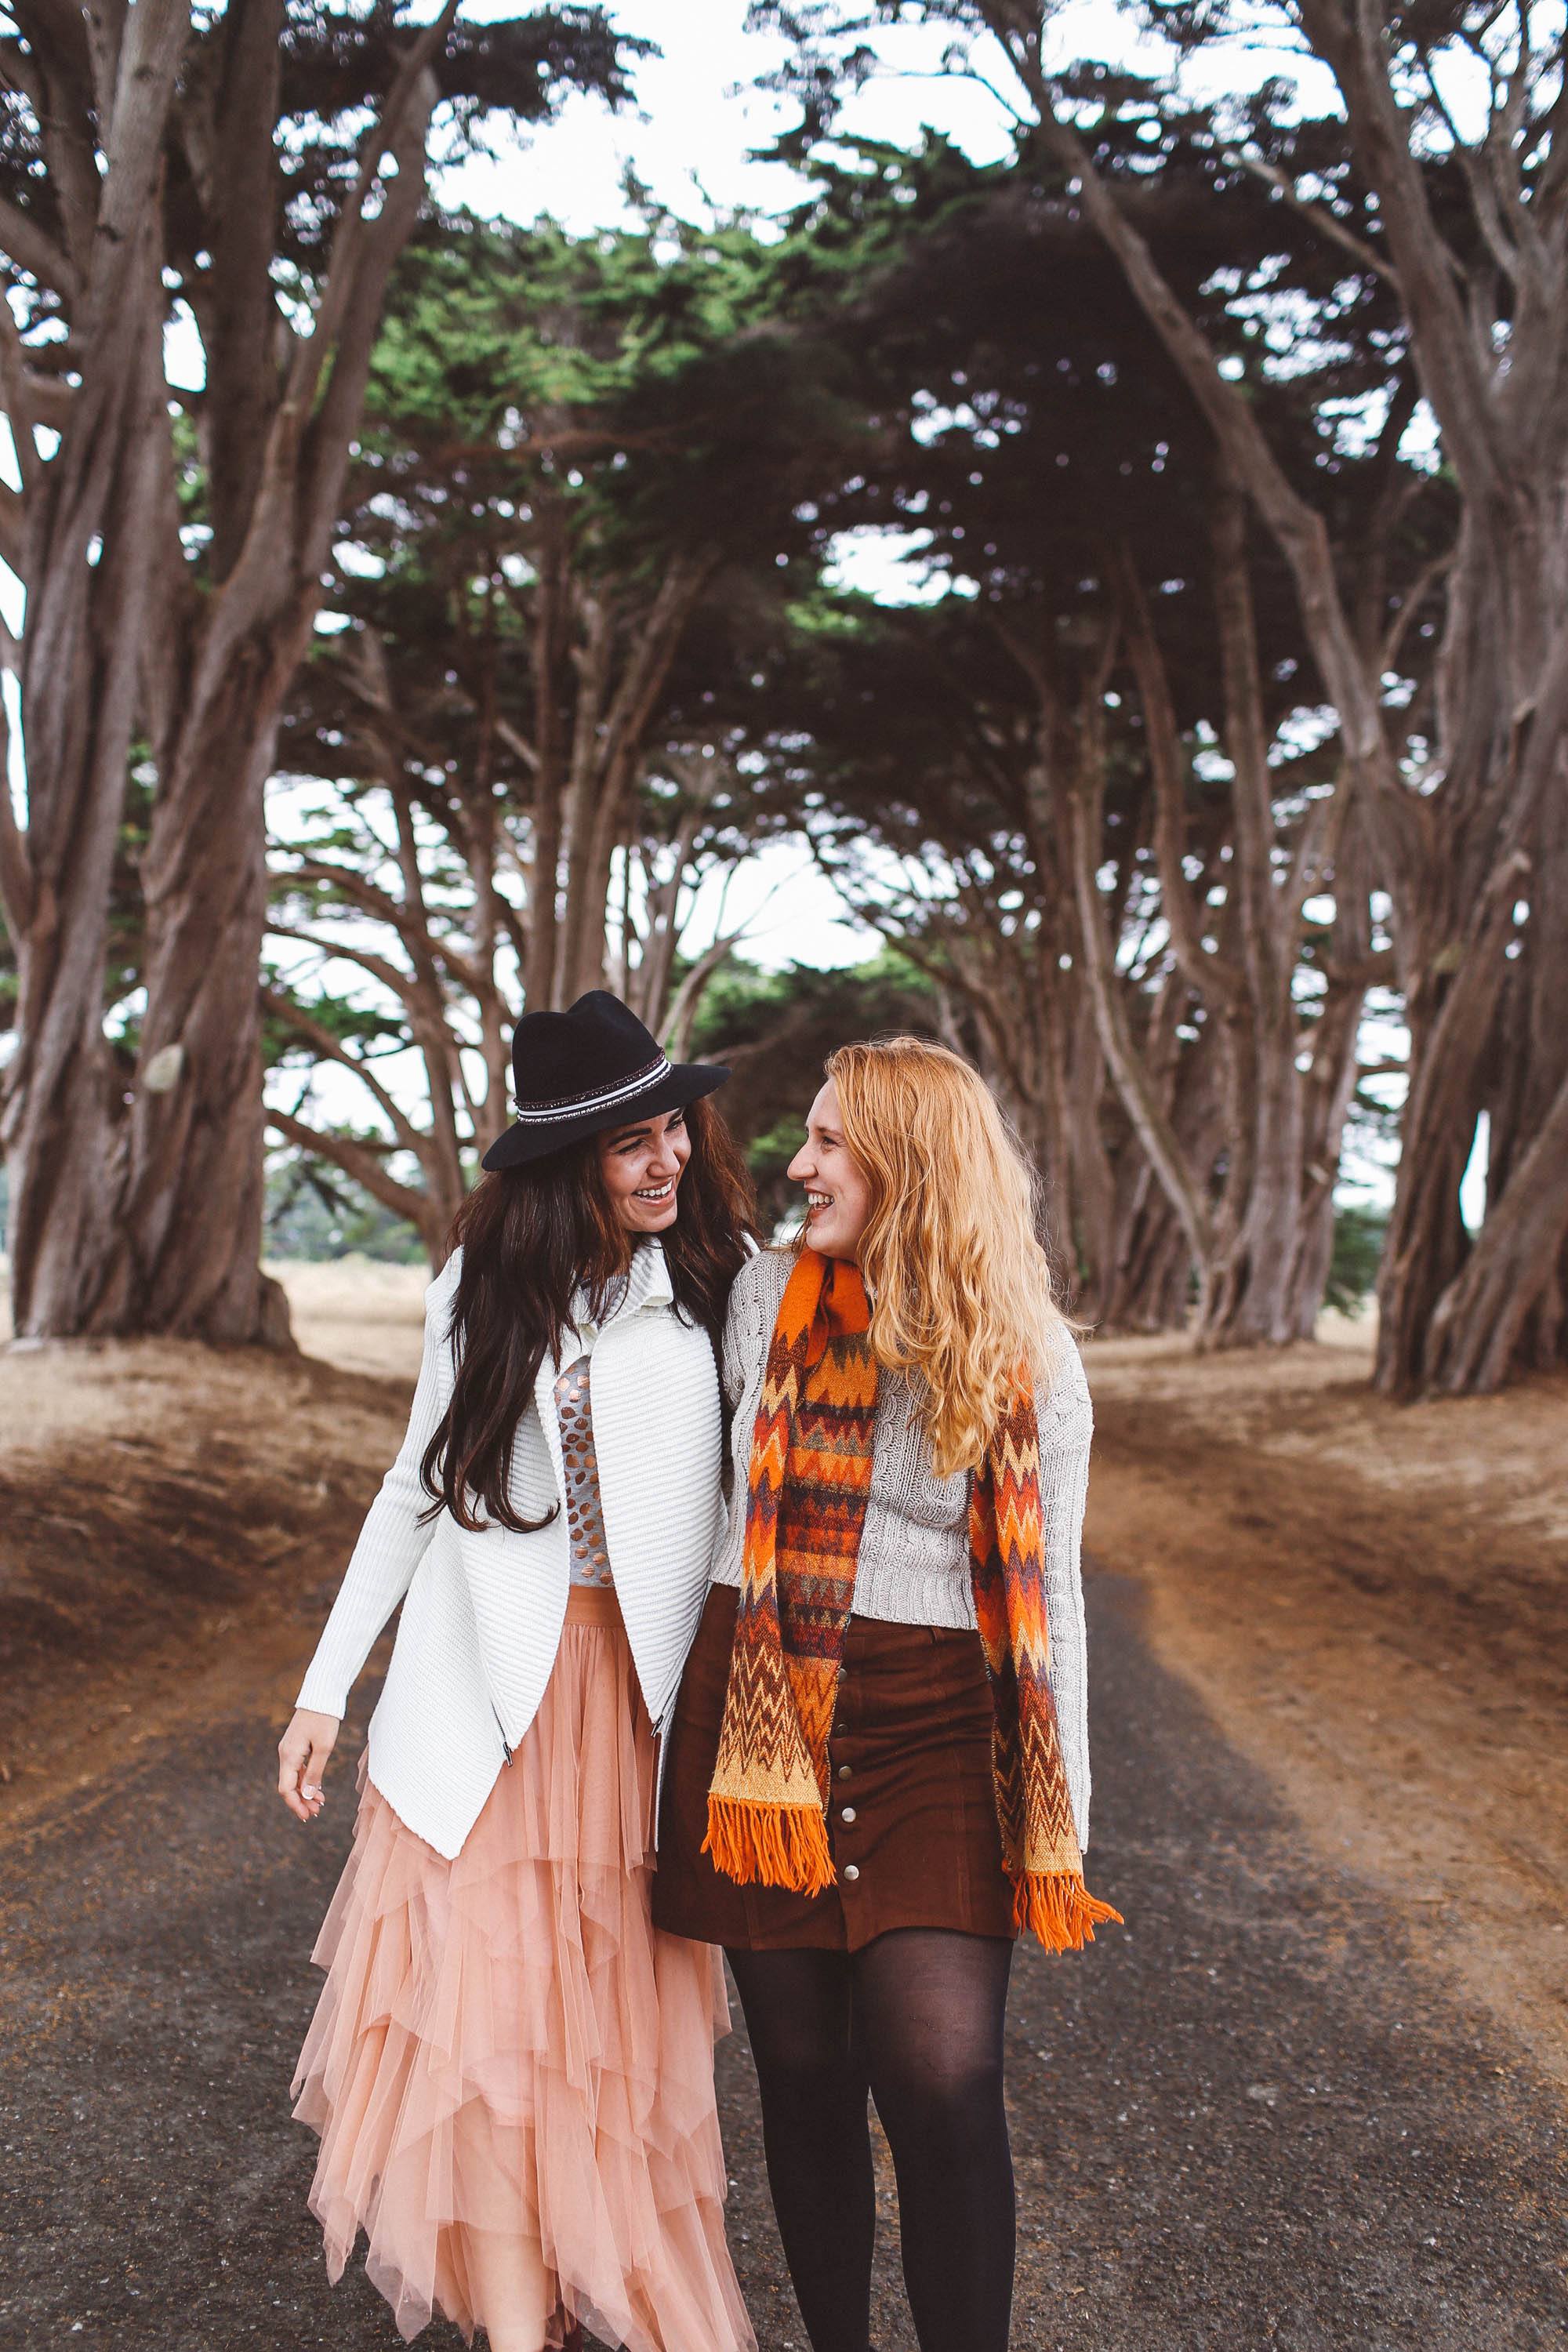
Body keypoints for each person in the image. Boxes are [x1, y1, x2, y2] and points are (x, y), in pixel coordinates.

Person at [278, 992, 759, 2352]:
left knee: (611, 2042)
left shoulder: (719, 1283)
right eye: (632, 1146)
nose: (667, 1160)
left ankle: (629, 2288)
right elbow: (410, 1496)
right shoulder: (478, 1291)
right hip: (480, 1698)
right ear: (568, 1168)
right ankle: (508, 2327)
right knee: (485, 2034)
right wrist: (326, 1688)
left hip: (635, 1705)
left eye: (674, 1129)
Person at [655, 1035, 1120, 2352]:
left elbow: (1057, 1602)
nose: (795, 1166)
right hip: (766, 1719)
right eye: (801, 1139)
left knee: (945, 2082)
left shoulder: (1032, 1355)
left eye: (826, 1142)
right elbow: (700, 1512)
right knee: (802, 2082)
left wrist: (1058, 1808)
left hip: (939, 1726)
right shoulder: (761, 1301)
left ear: (907, 1159)